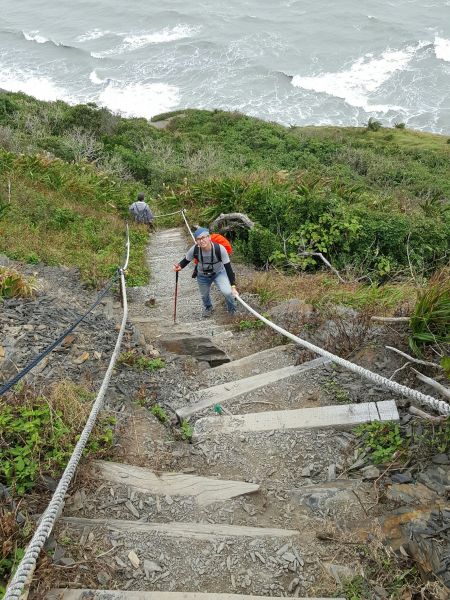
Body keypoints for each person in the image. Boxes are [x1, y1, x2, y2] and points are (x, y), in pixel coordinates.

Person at [173, 227, 239, 317]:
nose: (202, 241)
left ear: (209, 237)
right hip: (202, 275)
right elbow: (185, 261)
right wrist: (179, 266)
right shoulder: (194, 249)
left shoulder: (220, 249)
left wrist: (233, 286)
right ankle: (208, 308)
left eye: (204, 237)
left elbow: (228, 268)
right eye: (199, 239)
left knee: (228, 292)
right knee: (204, 295)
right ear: (196, 241)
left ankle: (232, 310)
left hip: (219, 273)